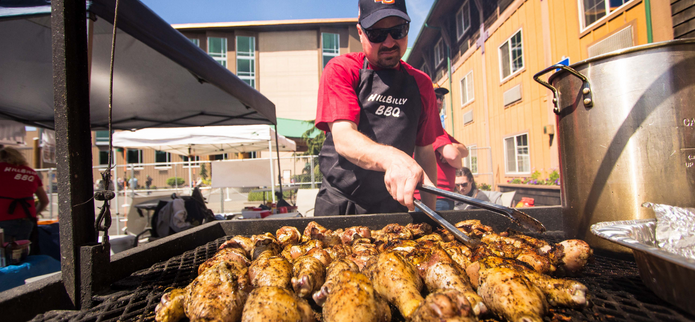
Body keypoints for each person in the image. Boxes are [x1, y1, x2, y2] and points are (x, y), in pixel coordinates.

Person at [313, 0, 444, 216]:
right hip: (340, 204)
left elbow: (425, 151)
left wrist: (432, 214)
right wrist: (392, 158)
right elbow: (344, 137)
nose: (389, 42)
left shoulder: (421, 83)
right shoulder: (342, 69)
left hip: (393, 206)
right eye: (377, 33)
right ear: (360, 32)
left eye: (398, 30)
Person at [416, 85, 469, 210]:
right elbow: (454, 157)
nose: (439, 101)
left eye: (441, 98)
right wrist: (455, 155)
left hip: (437, 195)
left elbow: (464, 150)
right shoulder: (428, 123)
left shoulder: (438, 127)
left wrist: (453, 146)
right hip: (435, 195)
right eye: (436, 97)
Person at [0, 147, 49, 241]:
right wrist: (35, 213)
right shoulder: (31, 173)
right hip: (27, 219)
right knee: (21, 251)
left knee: (3, 252)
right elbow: (44, 201)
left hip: (3, 218)